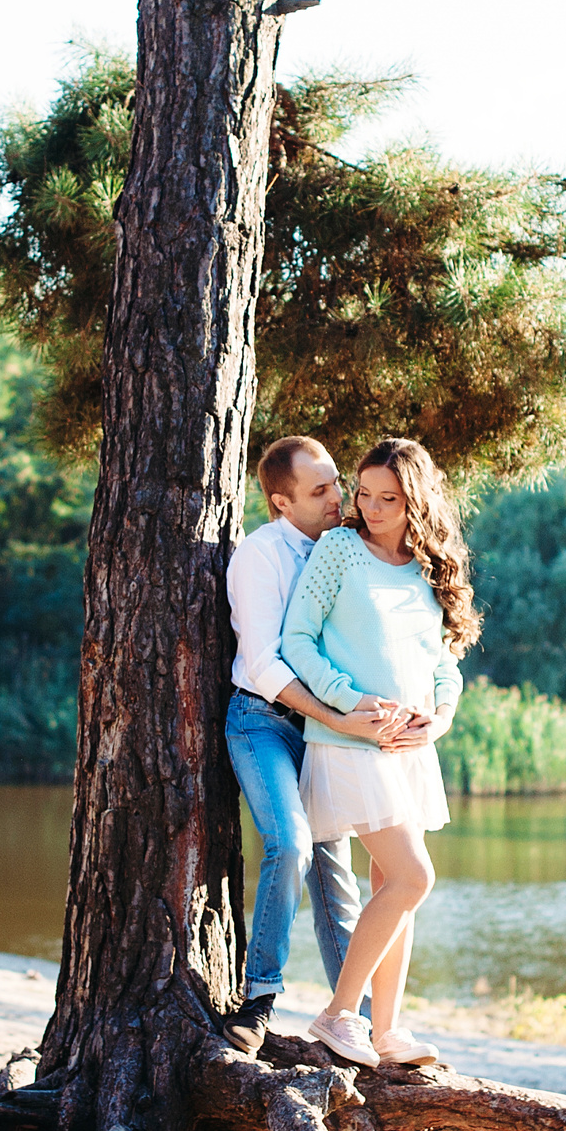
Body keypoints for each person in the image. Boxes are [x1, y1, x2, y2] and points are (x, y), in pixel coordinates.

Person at [280, 436, 480, 1067]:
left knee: (395, 882)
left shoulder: (428, 567)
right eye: (362, 494)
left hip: (410, 751)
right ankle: (340, 1014)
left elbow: (444, 661)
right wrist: (349, 702)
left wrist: (440, 717)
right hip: (350, 741)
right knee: (416, 877)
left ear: (415, 501)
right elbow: (298, 639)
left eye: (387, 499)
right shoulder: (340, 549)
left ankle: (388, 1032)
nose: (368, 508)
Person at [221, 435, 412, 1055]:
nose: (338, 499)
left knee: (339, 874)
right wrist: (343, 715)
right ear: (281, 502)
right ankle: (261, 997)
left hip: (325, 729)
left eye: (337, 483)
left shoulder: (347, 550)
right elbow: (265, 661)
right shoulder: (261, 556)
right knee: (292, 843)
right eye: (320, 490)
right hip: (262, 720)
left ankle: (348, 1018)